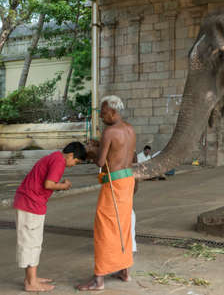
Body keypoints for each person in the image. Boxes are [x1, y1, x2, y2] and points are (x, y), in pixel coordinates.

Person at [77, 95, 136, 291]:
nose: (101, 116)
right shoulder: (130, 129)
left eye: (103, 112)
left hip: (114, 182)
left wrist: (91, 151)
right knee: (123, 225)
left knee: (105, 227)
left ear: (113, 111)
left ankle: (99, 279)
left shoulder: (110, 132)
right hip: (127, 180)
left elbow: (101, 163)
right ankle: (124, 270)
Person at [13, 142, 86, 292]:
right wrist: (64, 186)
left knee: (33, 242)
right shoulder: (59, 161)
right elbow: (49, 184)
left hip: (30, 203)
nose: (73, 165)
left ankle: (31, 277)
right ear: (71, 155)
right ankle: (31, 283)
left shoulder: (54, 157)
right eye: (76, 161)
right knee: (31, 243)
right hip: (30, 204)